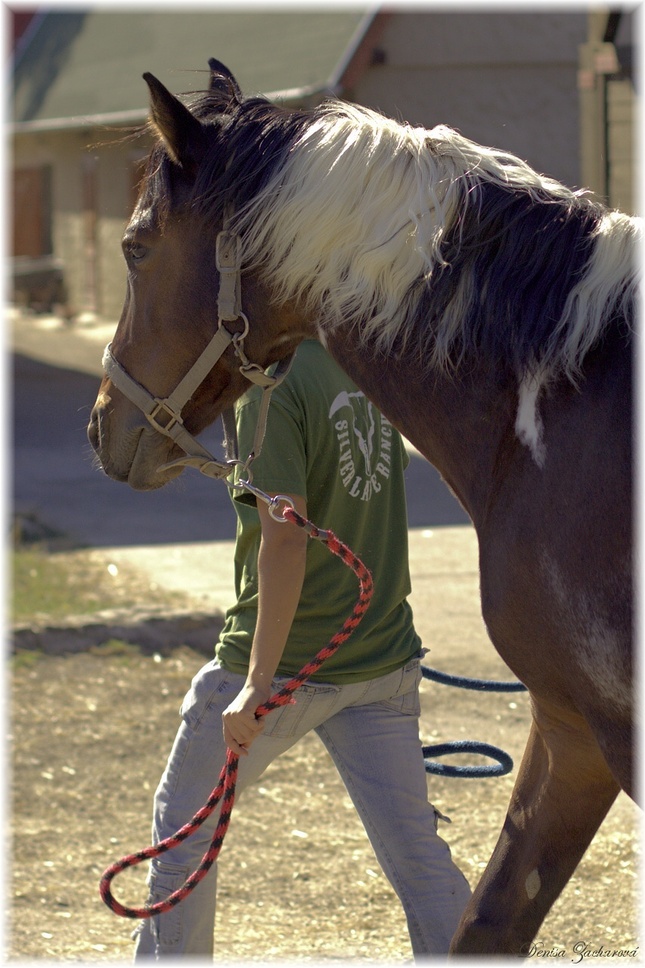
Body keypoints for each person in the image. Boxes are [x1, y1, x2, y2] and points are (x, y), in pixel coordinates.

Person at [133, 340, 471, 959]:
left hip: (285, 671)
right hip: (382, 663)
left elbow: (284, 536)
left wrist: (257, 682)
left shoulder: (269, 385)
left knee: (180, 851)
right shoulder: (368, 361)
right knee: (421, 862)